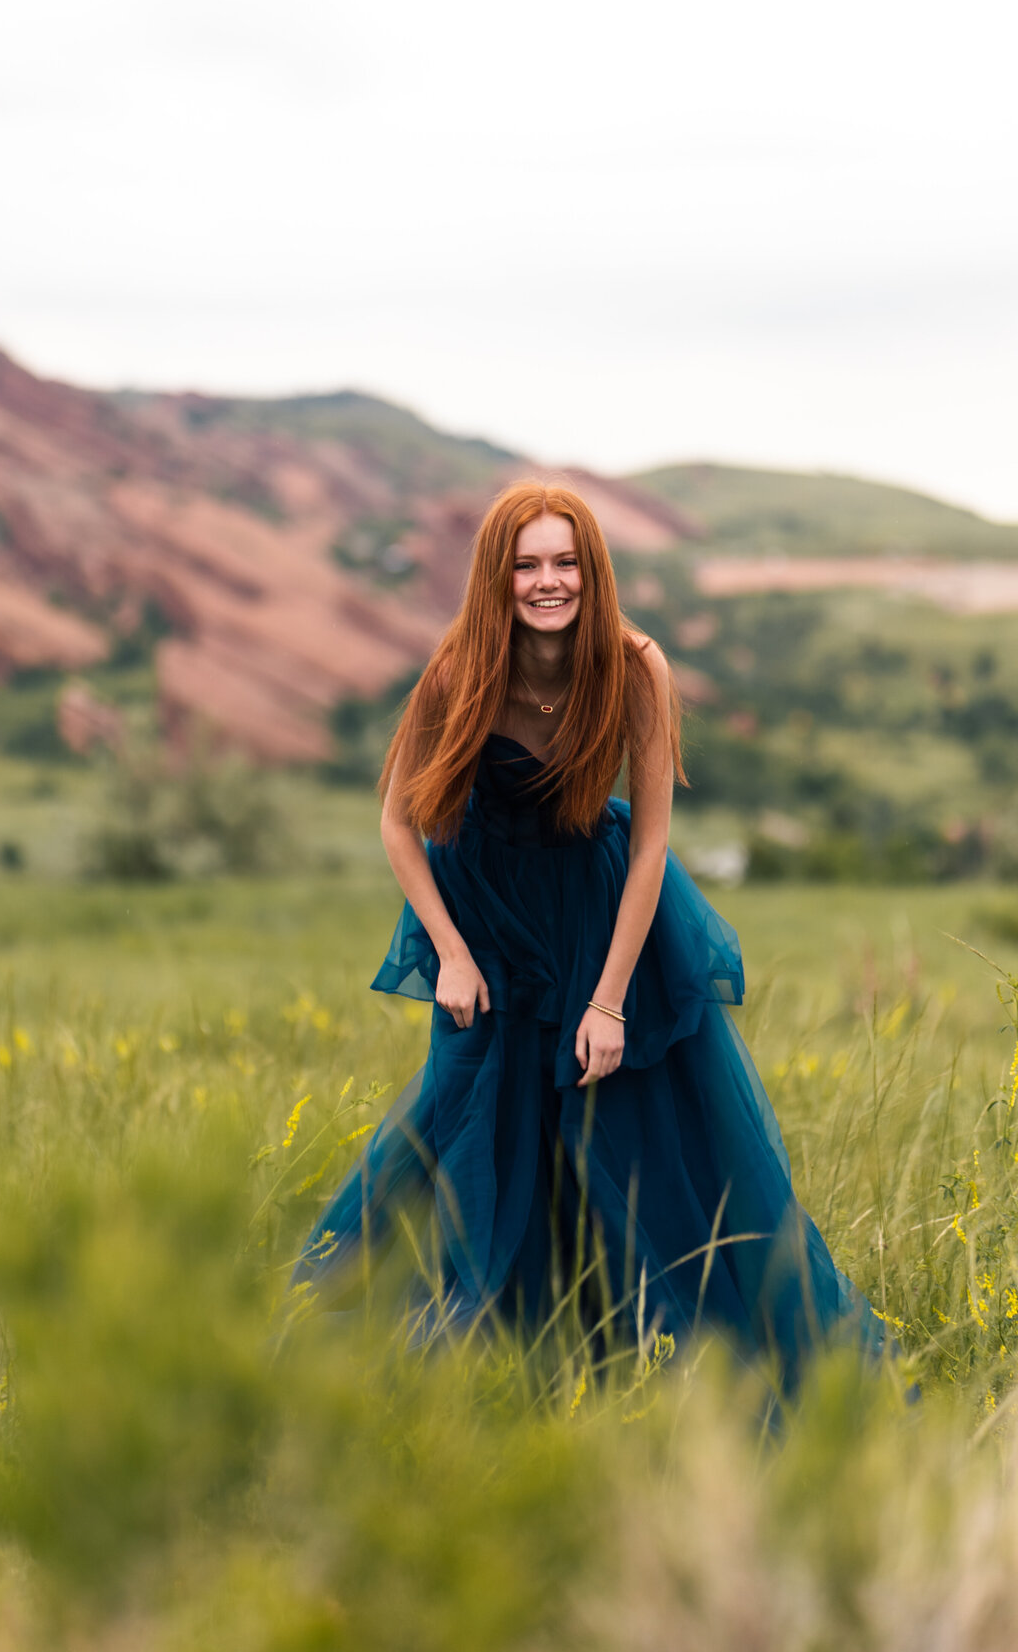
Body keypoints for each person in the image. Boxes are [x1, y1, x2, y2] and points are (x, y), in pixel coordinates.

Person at [293, 479, 885, 1391]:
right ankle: (465, 1362)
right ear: (498, 577)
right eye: (527, 564)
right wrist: (449, 951)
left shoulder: (635, 666)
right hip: (488, 933)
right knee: (473, 1134)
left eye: (565, 562)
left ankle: (665, 1362)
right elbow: (396, 824)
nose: (548, 582)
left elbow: (650, 845)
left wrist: (609, 1001)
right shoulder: (458, 670)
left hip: (603, 922)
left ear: (592, 569)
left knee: (636, 1137)